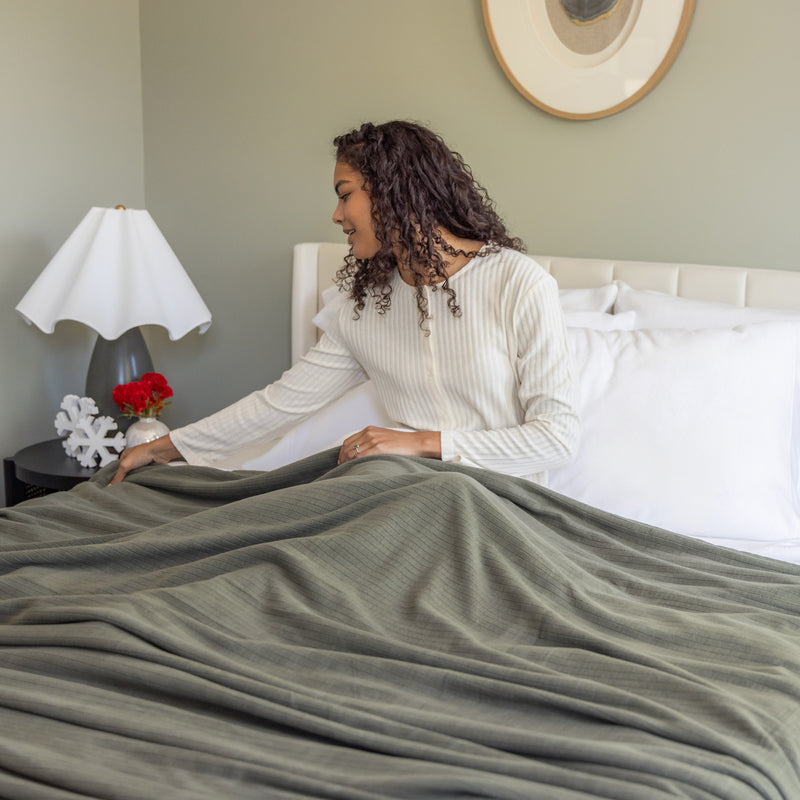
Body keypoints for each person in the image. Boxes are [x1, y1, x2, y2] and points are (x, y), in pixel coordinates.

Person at [111, 120, 579, 486]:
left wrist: (418, 443)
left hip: (497, 505)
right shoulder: (365, 308)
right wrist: (166, 447)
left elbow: (556, 439)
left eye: (345, 195)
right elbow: (281, 405)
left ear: (396, 191)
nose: (336, 215)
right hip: (400, 492)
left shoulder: (518, 283)